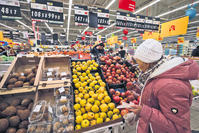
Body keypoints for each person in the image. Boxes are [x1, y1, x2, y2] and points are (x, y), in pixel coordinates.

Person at [127, 39, 199, 133]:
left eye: (138, 61)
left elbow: (176, 128)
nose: (137, 65)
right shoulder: (156, 75)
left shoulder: (171, 86)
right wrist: (139, 109)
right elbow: (156, 103)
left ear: (147, 62)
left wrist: (144, 111)